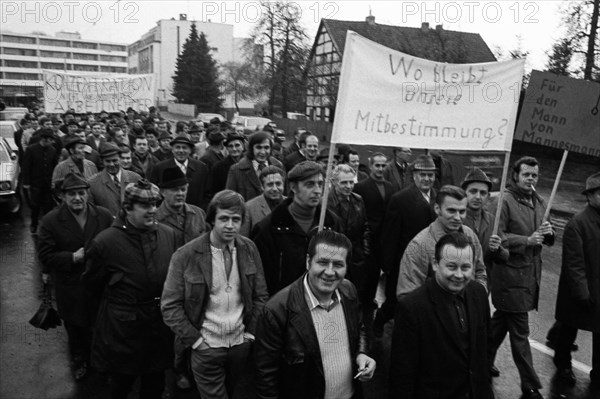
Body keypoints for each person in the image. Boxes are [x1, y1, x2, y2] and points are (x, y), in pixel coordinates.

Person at [161, 190, 269, 398]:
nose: (230, 225)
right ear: (212, 219)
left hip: (240, 345)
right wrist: (196, 341)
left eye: (236, 219)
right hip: (206, 346)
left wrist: (250, 334)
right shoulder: (186, 255)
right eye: (224, 219)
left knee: (233, 391)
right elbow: (170, 306)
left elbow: (260, 295)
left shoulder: (249, 249)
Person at [83, 179, 178, 399]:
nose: (153, 210)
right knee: (121, 386)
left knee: (154, 385)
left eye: (155, 204)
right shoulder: (105, 243)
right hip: (123, 333)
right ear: (127, 208)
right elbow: (92, 286)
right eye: (145, 206)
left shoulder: (168, 235)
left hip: (158, 329)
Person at [254, 230, 376, 399]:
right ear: (308, 262)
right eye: (323, 262)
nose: (330, 272)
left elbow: (359, 326)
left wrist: (362, 352)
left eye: (338, 264)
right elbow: (265, 378)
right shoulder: (277, 311)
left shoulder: (349, 291)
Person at [389, 232, 494, 399]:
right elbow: (402, 375)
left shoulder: (478, 293)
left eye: (465, 267)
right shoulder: (412, 307)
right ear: (435, 264)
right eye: (451, 266)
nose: (459, 275)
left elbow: (485, 347)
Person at [488, 156, 554, 399]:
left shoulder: (538, 200)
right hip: (510, 276)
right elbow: (496, 237)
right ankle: (530, 384)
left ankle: (479, 360)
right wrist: (527, 240)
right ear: (515, 175)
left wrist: (548, 233)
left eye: (534, 175)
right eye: (526, 174)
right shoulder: (504, 201)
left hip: (529, 277)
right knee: (520, 332)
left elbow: (547, 232)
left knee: (499, 324)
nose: (530, 179)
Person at [38, 173, 113, 381]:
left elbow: (115, 244)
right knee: (76, 328)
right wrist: (72, 257)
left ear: (88, 194)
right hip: (71, 287)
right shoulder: (51, 221)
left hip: (99, 286)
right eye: (72, 194)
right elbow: (45, 254)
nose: (77, 198)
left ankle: (100, 362)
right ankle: (80, 361)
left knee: (100, 327)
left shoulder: (104, 215)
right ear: (63, 197)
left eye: (81, 193)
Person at [252, 161, 340, 295]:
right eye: (309, 184)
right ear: (293, 187)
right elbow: (260, 281)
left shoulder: (332, 224)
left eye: (320, 184)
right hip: (282, 305)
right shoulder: (268, 229)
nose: (317, 191)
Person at [374, 154, 437, 335]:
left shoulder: (439, 197)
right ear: (414, 175)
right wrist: (387, 266)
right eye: (422, 174)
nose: (427, 179)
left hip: (430, 262)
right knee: (396, 301)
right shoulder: (400, 199)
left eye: (430, 175)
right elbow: (390, 235)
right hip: (403, 262)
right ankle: (379, 323)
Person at [552, 172, 600, 389]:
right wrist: (582, 293)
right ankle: (563, 366)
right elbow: (574, 263)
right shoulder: (578, 223)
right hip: (580, 291)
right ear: (589, 196)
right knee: (569, 329)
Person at [396, 185, 488, 297]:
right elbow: (406, 296)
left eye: (462, 211)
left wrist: (477, 298)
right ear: (437, 209)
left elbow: (480, 271)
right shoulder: (418, 246)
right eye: (451, 211)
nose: (458, 218)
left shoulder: (470, 235)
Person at [353, 152, 395, 332]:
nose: (380, 169)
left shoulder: (390, 187)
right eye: (377, 165)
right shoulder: (361, 187)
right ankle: (364, 309)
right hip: (368, 239)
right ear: (370, 166)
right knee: (368, 276)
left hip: (385, 239)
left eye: (383, 165)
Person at [327, 164, 370, 306]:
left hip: (356, 257)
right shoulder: (326, 203)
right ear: (334, 182)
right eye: (344, 182)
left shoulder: (358, 200)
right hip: (334, 256)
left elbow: (365, 227)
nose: (348, 186)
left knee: (355, 294)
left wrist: (364, 252)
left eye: (351, 182)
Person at [461, 167, 507, 289]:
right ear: (464, 192)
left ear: (488, 196)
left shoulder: (493, 221)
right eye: (473, 191)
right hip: (458, 281)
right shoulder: (456, 218)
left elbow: (505, 256)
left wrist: (497, 249)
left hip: (483, 285)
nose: (478, 197)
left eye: (483, 193)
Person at [150, 133, 211, 210]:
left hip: (194, 213)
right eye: (177, 147)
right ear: (172, 149)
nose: (181, 151)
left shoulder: (201, 168)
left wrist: (201, 210)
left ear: (190, 150)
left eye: (184, 148)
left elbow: (208, 193)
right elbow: (154, 193)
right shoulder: (160, 168)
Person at [226, 131, 284, 201]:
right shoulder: (236, 170)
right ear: (251, 149)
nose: (263, 152)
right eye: (258, 147)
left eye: (266, 147)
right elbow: (230, 200)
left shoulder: (279, 166)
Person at [88, 143, 142, 217]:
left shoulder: (135, 178)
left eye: (114, 160)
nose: (112, 164)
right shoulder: (92, 183)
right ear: (102, 162)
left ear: (120, 159)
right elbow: (91, 212)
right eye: (108, 161)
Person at [22, 128, 59, 234]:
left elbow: (54, 167)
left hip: (47, 183)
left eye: (51, 139)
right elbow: (26, 167)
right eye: (48, 139)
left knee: (48, 206)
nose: (50, 141)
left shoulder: (52, 150)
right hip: (35, 183)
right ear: (43, 139)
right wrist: (26, 183)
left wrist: (54, 181)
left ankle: (46, 226)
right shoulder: (31, 149)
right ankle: (34, 224)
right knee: (35, 205)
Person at [240, 165, 286, 237]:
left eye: (278, 184)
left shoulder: (292, 204)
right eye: (270, 184)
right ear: (262, 186)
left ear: (283, 184)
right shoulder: (249, 208)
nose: (275, 188)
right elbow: (243, 239)